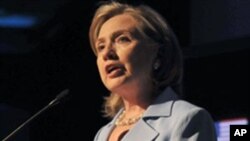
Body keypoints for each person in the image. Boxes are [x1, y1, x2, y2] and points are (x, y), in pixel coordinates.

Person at [88, 1, 217, 141]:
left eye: (122, 39)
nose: (107, 53)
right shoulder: (102, 134)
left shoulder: (187, 119)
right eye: (101, 47)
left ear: (158, 54)